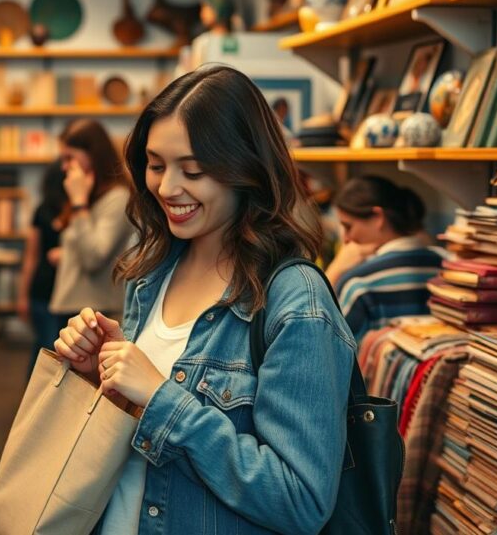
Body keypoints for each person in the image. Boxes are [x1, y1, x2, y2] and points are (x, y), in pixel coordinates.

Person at [54, 65, 356, 534]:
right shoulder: (152, 271)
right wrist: (101, 374)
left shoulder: (296, 303)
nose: (167, 188)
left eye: (192, 171)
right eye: (156, 165)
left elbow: (301, 501)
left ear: (246, 170)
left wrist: (161, 398)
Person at [325, 175, 445, 344]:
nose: (346, 238)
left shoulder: (359, 283)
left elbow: (329, 349)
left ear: (378, 217)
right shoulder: (447, 268)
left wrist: (335, 270)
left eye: (348, 226)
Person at [49, 119, 134, 324]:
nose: (64, 166)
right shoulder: (93, 197)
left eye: (70, 158)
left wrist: (79, 203)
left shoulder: (117, 198)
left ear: (94, 155)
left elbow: (93, 259)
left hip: (94, 313)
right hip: (75, 307)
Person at [18, 161, 67, 374]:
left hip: (62, 292)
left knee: (50, 351)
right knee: (47, 351)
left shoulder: (79, 210)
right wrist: (22, 296)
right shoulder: (44, 210)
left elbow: (30, 256)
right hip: (46, 291)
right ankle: (36, 399)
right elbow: (31, 255)